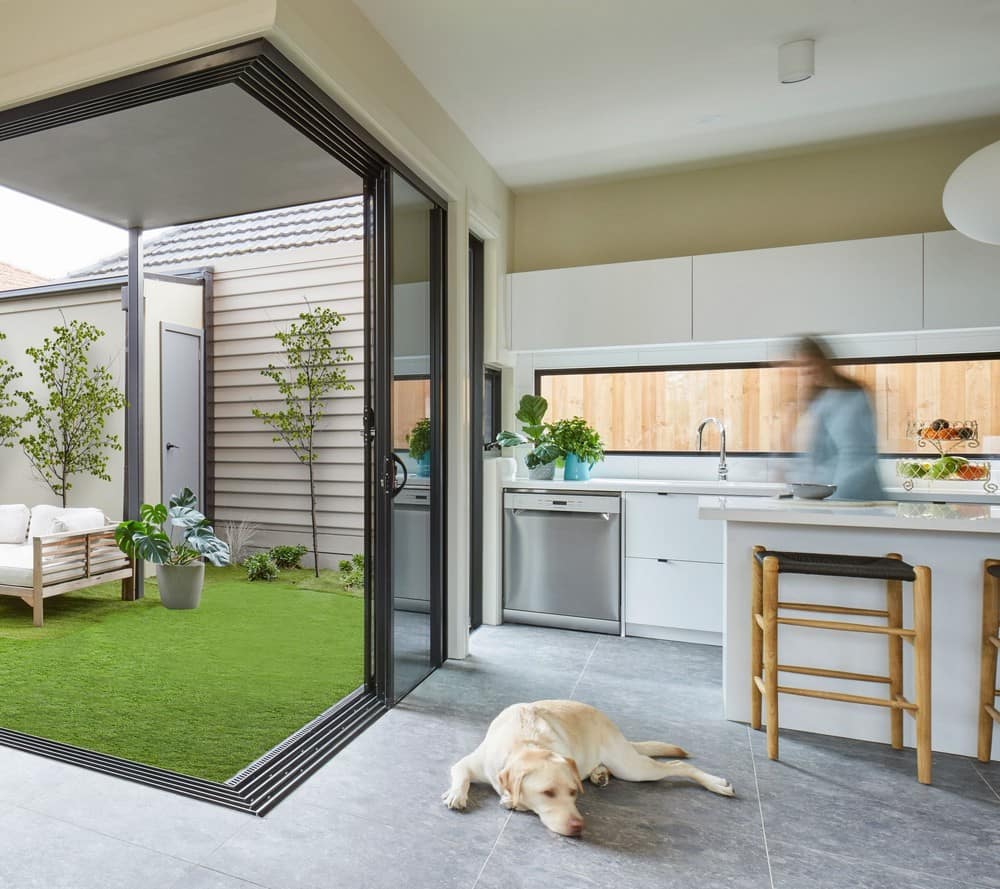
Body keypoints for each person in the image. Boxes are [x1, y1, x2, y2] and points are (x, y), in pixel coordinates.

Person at [791, 336, 887, 501]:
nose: (805, 371)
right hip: (831, 497)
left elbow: (856, 454)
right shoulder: (820, 399)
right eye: (800, 366)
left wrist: (835, 497)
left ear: (823, 361)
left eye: (808, 364)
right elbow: (816, 456)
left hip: (854, 497)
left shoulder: (852, 397)